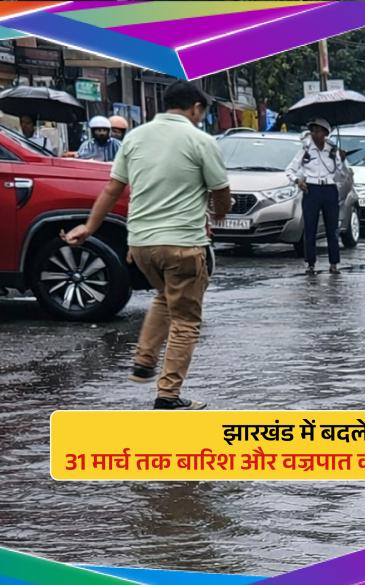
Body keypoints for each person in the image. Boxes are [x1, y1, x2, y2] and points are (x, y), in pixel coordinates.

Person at [61, 81, 231, 410]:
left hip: (140, 244)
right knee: (186, 319)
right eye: (201, 113)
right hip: (182, 243)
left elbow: (112, 189)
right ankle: (168, 395)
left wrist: (89, 227)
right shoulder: (200, 140)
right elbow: (221, 191)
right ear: (195, 108)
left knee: (164, 298)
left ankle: (143, 362)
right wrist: (219, 214)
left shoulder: (134, 138)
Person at [285, 118, 350, 275]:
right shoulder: (306, 149)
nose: (315, 134)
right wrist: (297, 181)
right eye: (313, 130)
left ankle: (334, 263)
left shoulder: (333, 151)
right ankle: (310, 263)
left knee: (331, 229)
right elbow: (290, 170)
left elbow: (341, 176)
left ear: (326, 133)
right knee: (310, 228)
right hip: (311, 189)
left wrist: (342, 159)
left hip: (329, 189)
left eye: (318, 131)